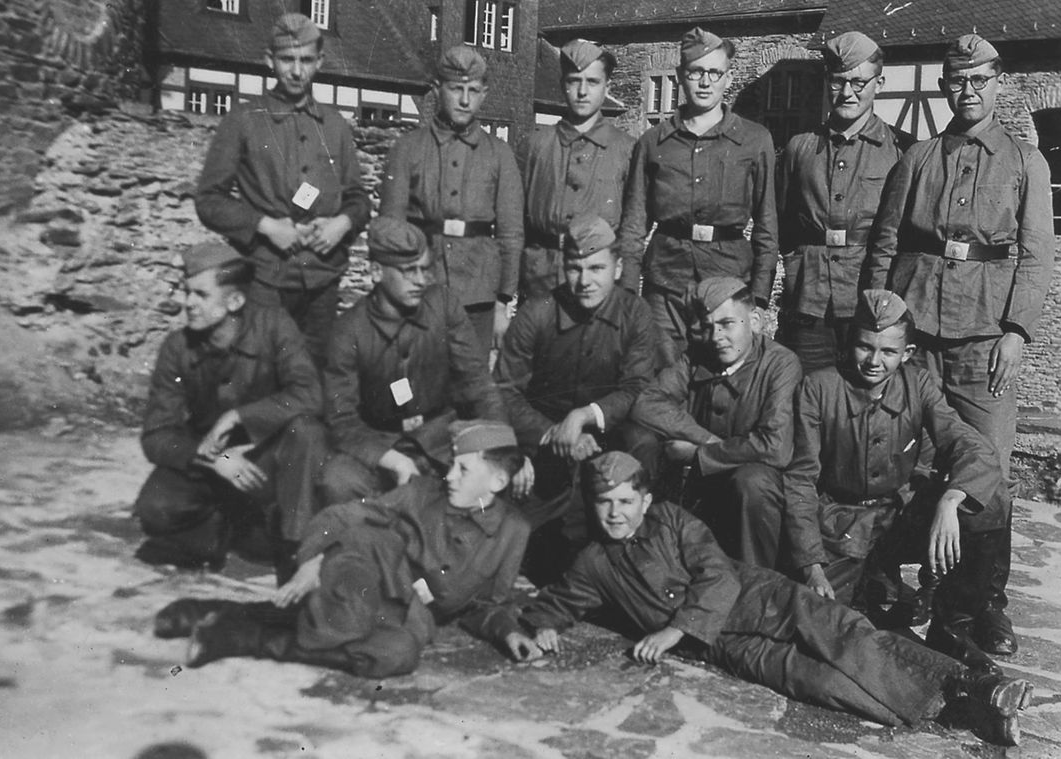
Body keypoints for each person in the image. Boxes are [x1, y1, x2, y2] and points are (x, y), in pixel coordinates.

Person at [505, 452, 1033, 747]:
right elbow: (558, 601)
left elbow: (714, 575)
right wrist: (544, 624)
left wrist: (672, 629)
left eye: (625, 502)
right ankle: (957, 712)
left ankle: (972, 685)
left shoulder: (672, 522)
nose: (615, 514)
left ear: (644, 500)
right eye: (604, 505)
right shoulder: (594, 562)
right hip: (724, 645)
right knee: (819, 681)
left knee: (846, 638)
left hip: (764, 599)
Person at [861, 33, 1054, 657]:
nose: (966, 91)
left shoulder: (1026, 162)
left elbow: (1035, 255)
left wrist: (1018, 332)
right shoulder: (916, 158)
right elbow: (884, 246)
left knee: (987, 473)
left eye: (979, 80)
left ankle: (979, 606)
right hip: (917, 335)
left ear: (1000, 83)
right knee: (907, 464)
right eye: (956, 81)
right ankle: (894, 582)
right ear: (945, 86)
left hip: (984, 339)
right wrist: (880, 321)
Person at [156, 420, 535, 680]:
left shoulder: (514, 531)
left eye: (464, 470)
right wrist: (312, 560)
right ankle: (218, 626)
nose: (450, 475)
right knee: (357, 579)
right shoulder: (422, 492)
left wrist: (508, 632)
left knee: (396, 655)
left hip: (410, 610)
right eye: (453, 465)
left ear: (498, 481)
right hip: (368, 579)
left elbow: (489, 604)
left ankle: (235, 628)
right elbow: (345, 514)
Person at [785, 289, 1009, 671]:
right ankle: (874, 593)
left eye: (888, 352)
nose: (874, 361)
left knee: (989, 502)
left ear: (906, 353)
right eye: (864, 347)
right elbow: (800, 480)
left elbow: (971, 445)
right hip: (841, 527)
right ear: (847, 345)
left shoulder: (917, 385)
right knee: (827, 636)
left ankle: (952, 629)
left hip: (897, 521)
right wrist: (812, 565)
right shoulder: (818, 389)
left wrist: (951, 499)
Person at [134, 241, 325, 573]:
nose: (187, 303)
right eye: (186, 292)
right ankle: (226, 532)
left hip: (264, 459)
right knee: (156, 509)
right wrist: (212, 459)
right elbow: (156, 434)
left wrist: (239, 416)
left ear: (235, 300)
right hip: (211, 462)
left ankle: (290, 545)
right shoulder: (177, 348)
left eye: (200, 295)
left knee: (307, 431)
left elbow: (308, 393)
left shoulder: (275, 327)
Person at [195, 13, 369, 366]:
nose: (296, 71)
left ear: (319, 62)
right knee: (261, 372)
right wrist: (266, 226)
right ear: (269, 60)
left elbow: (358, 198)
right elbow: (209, 200)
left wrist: (342, 224)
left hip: (322, 277)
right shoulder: (243, 121)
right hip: (265, 278)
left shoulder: (334, 126)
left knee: (312, 374)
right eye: (287, 59)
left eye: (305, 60)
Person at [493, 215, 658, 582]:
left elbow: (636, 387)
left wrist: (585, 416)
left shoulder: (635, 314)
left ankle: (633, 550)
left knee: (643, 440)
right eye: (574, 268)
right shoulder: (537, 313)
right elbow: (504, 390)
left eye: (596, 268)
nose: (584, 282)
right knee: (514, 547)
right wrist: (552, 433)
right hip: (544, 443)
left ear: (617, 268)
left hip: (608, 436)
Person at [321, 217, 510, 501]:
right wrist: (393, 460)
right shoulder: (348, 331)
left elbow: (477, 383)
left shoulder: (443, 305)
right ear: (375, 272)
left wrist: (503, 449)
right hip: (379, 442)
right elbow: (342, 420)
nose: (421, 281)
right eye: (408, 272)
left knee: (486, 478)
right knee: (337, 480)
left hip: (441, 438)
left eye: (424, 269)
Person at [618, 27, 777, 352]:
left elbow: (767, 225)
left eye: (715, 73)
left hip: (729, 278)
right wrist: (627, 292)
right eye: (696, 72)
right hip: (666, 283)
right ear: (680, 75)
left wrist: (759, 296)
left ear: (729, 78)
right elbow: (634, 225)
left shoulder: (754, 140)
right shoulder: (653, 142)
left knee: (720, 377)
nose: (705, 82)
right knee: (662, 372)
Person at [630, 277, 801, 568]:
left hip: (753, 491)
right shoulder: (698, 355)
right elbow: (646, 403)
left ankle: (755, 581)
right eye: (709, 326)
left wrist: (700, 453)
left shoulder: (781, 364)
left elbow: (776, 446)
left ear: (756, 321)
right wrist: (706, 440)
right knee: (639, 440)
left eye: (727, 324)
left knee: (753, 482)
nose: (716, 336)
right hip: (703, 483)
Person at [776, 31, 912, 372]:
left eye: (859, 82)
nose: (848, 92)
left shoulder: (903, 151)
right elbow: (782, 223)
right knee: (805, 399)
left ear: (879, 83)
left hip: (868, 305)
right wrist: (795, 268)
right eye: (838, 82)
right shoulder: (800, 149)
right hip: (809, 303)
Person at [380, 44, 524, 350]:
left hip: (478, 293)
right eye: (455, 89)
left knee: (470, 383)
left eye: (473, 90)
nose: (464, 99)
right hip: (419, 286)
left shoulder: (499, 154)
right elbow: (390, 227)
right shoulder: (408, 148)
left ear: (484, 93)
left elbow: (511, 234)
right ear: (436, 89)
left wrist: (502, 302)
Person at [516, 39, 635, 299]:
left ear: (607, 87)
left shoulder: (626, 149)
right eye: (574, 81)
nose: (582, 91)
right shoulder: (535, 145)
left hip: (598, 279)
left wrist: (626, 290)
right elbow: (515, 221)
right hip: (541, 276)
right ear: (562, 85)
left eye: (592, 82)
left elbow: (633, 227)